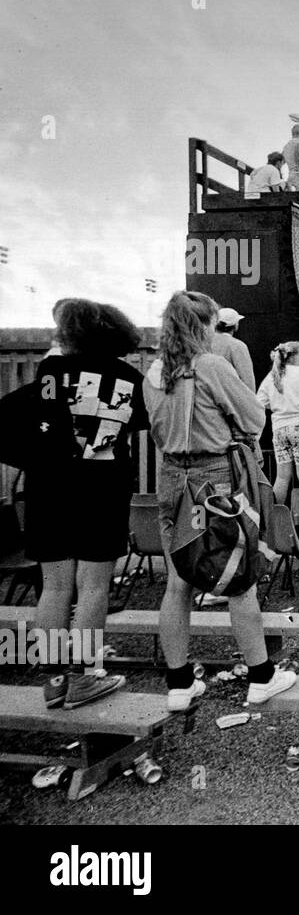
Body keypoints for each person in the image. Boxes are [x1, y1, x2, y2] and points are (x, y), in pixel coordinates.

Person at [142, 290, 296, 710]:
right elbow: (253, 418)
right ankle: (261, 676)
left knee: (178, 582)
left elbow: (156, 431)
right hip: (215, 476)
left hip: (172, 476)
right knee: (237, 575)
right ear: (203, 326)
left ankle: (178, 683)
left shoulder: (154, 373)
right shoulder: (210, 366)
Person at [27, 300, 147, 709]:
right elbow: (140, 423)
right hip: (103, 488)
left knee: (55, 587)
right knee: (94, 587)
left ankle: (55, 681)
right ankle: (84, 677)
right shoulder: (131, 377)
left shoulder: (51, 370)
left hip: (49, 487)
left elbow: (41, 418)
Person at [257, 341, 299, 504]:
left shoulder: (273, 375)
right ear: (294, 357)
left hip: (279, 428)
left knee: (281, 477)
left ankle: (275, 517)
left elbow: (259, 402)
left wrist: (276, 405)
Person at [209, 307, 255, 390]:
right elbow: (247, 380)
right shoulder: (237, 345)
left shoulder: (204, 343)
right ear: (235, 325)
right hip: (230, 396)